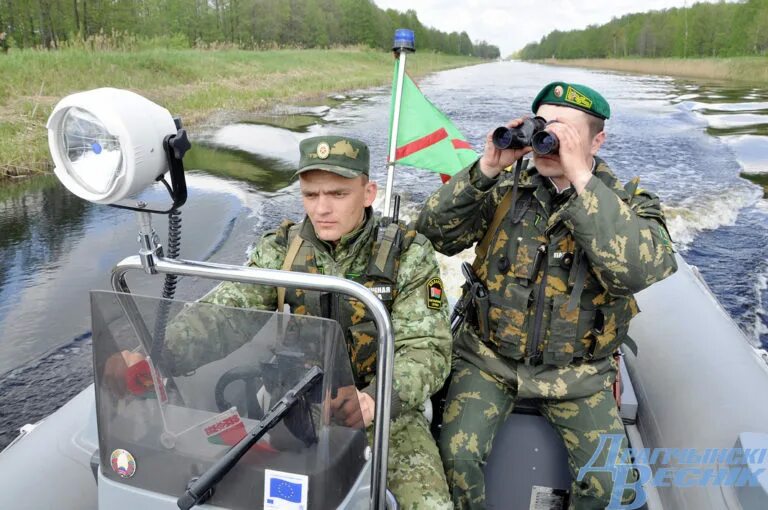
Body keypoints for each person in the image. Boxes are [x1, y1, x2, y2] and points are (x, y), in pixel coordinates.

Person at [416, 82, 678, 509]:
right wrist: (486, 168)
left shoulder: (628, 202)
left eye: (566, 134)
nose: (549, 143)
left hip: (580, 376)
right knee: (455, 460)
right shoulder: (506, 188)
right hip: (489, 360)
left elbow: (640, 268)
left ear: (597, 140)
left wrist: (580, 179)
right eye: (544, 127)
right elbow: (430, 234)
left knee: (614, 491)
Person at [166, 135, 453, 509]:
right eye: (311, 195)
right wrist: (158, 352)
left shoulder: (408, 255)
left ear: (368, 193)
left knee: (429, 505)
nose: (321, 209)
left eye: (337, 194)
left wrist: (377, 398)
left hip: (383, 413)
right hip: (294, 408)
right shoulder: (280, 250)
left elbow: (428, 346)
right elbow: (226, 313)